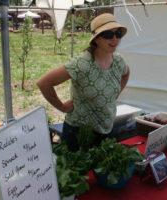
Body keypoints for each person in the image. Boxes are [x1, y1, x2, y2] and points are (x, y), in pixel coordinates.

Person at [37, 13, 130, 152]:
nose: (115, 39)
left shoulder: (118, 61)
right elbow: (44, 83)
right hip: (79, 133)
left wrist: (115, 94)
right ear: (97, 39)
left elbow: (126, 73)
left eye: (118, 34)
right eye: (108, 35)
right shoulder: (82, 63)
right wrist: (62, 107)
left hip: (106, 129)